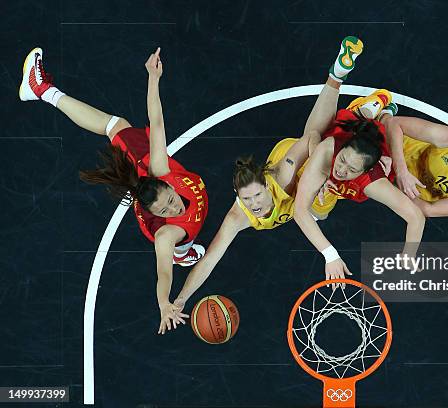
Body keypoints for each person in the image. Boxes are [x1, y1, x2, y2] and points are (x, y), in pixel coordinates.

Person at [19, 47, 208, 335]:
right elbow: (163, 273)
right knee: (112, 125)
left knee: (118, 125)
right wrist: (163, 303)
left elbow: (156, 120)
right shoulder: (165, 233)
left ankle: (183, 252)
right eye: (165, 210)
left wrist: (153, 78)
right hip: (169, 235)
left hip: (140, 161)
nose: (175, 208)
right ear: (154, 214)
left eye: (170, 201)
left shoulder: (161, 169)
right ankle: (41, 89)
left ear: (168, 184)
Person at [168, 37, 364, 313]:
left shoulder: (282, 176)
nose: (254, 204)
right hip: (290, 175)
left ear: (265, 186)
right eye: (247, 199)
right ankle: (342, 88)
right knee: (319, 210)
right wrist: (180, 301)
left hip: (294, 163)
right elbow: (210, 259)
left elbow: (311, 138)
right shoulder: (239, 217)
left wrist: (322, 178)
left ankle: (352, 111)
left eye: (257, 195)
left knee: (328, 171)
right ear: (238, 196)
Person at [293, 39, 426, 286]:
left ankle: (377, 113)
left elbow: (416, 217)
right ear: (341, 149)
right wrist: (330, 255)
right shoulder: (329, 151)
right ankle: (339, 76)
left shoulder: (372, 181)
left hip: (371, 145)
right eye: (343, 161)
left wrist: (408, 258)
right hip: (344, 133)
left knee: (369, 133)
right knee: (313, 132)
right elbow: (299, 211)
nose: (340, 169)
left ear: (366, 172)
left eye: (351, 169)